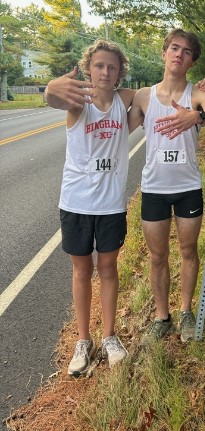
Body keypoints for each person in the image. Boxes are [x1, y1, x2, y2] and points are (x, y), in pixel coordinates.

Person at [44, 39, 136, 377]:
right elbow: (52, 96)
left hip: (110, 204)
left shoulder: (125, 101)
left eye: (112, 67)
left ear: (119, 73)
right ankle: (83, 341)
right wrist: (53, 85)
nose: (105, 72)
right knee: (82, 271)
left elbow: (154, 95)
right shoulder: (77, 103)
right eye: (99, 65)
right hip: (76, 202)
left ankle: (109, 335)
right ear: (88, 69)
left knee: (109, 269)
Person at [128, 28, 205, 342]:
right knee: (157, 256)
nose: (179, 54)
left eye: (186, 51)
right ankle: (162, 316)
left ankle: (185, 311)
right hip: (154, 187)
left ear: (191, 61)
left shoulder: (196, 94)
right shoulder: (143, 95)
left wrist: (195, 117)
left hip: (187, 187)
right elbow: (117, 123)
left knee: (187, 250)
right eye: (174, 48)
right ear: (164, 52)